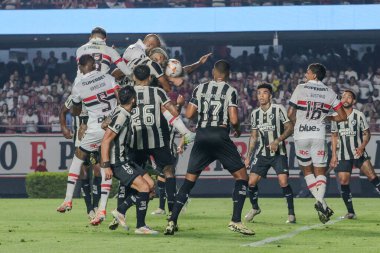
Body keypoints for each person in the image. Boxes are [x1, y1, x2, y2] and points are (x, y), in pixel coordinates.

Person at [164, 60, 254, 236]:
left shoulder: (200, 88)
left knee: (188, 182)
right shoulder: (231, 90)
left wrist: (204, 114)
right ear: (228, 74)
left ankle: (172, 221)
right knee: (242, 177)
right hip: (220, 136)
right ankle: (236, 220)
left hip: (202, 135)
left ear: (214, 72)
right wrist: (236, 130)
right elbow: (234, 119)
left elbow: (189, 114)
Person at [57, 55, 119, 220]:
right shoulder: (108, 78)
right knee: (107, 167)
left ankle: (68, 200)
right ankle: (102, 211)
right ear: (94, 65)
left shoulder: (79, 85)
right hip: (113, 127)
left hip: (94, 129)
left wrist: (80, 113)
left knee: (78, 160)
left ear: (82, 66)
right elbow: (120, 99)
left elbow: (74, 111)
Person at [287, 63, 347, 224]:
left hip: (301, 135)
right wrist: (328, 117)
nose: (306, 73)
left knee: (307, 171)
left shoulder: (300, 88)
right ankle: (321, 203)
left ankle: (321, 203)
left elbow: (290, 113)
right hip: (318, 134)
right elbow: (342, 117)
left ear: (314, 75)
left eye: (308, 71)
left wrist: (298, 124)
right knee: (320, 171)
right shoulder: (329, 92)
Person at [95, 86, 158, 234]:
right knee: (143, 188)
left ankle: (121, 211)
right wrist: (106, 165)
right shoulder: (122, 114)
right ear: (134, 99)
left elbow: (104, 124)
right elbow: (106, 140)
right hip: (118, 162)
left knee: (150, 185)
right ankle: (140, 226)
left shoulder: (118, 110)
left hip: (126, 159)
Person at [244, 83, 295, 224]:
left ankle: (291, 213)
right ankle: (255, 208)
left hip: (279, 153)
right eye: (259, 93)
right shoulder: (255, 113)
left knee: (283, 181)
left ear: (270, 96)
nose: (261, 95)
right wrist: (248, 156)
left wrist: (277, 140)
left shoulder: (278, 109)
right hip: (262, 154)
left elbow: (290, 128)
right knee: (251, 182)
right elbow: (254, 136)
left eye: (264, 93)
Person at [330, 90, 380, 219]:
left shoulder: (359, 115)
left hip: (358, 153)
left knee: (373, 177)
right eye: (343, 97)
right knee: (343, 181)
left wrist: (362, 147)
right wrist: (334, 155)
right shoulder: (335, 116)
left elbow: (366, 133)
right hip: (343, 155)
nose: (345, 99)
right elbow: (334, 136)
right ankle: (350, 212)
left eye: (349, 97)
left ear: (354, 101)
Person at [59, 95, 102, 220]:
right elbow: (63, 111)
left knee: (98, 171)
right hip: (79, 139)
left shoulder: (97, 93)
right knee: (83, 173)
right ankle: (89, 208)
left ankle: (95, 206)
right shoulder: (75, 95)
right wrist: (64, 128)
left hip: (95, 136)